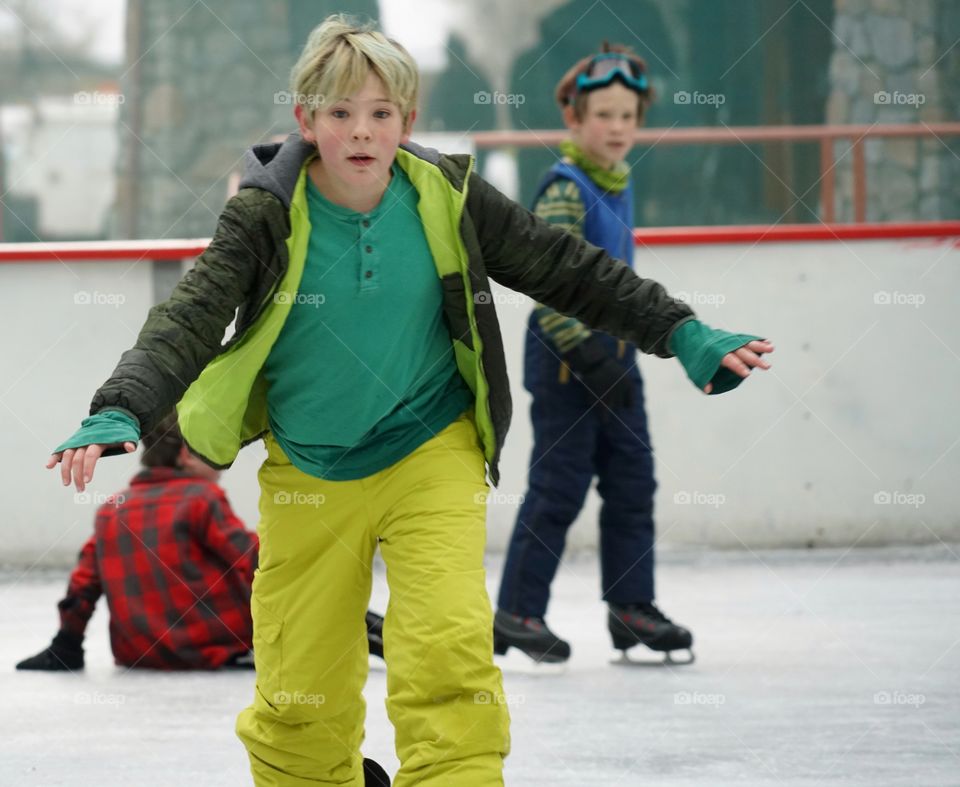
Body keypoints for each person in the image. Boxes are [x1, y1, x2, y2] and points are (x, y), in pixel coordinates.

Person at [46, 15, 773, 786]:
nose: (361, 131)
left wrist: (682, 331)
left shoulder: (446, 195)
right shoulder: (263, 211)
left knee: (445, 654)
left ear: (407, 121)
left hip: (432, 448)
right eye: (339, 113)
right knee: (301, 685)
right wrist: (122, 402)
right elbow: (191, 312)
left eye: (380, 114)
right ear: (306, 120)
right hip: (309, 469)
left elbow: (569, 269)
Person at [494, 44, 720, 666]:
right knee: (559, 486)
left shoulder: (617, 183)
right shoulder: (565, 189)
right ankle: (516, 611)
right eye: (604, 115)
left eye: (628, 116)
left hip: (616, 356)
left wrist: (615, 357)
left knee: (631, 481)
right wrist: (588, 356)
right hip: (569, 359)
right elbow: (548, 284)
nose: (618, 127)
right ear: (574, 119)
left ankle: (632, 609)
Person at [22, 413, 386, 671]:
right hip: (218, 647)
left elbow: (83, 585)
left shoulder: (111, 509)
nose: (222, 458)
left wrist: (66, 646)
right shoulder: (200, 498)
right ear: (186, 454)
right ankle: (381, 636)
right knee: (292, 581)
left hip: (141, 655)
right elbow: (256, 559)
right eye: (212, 446)